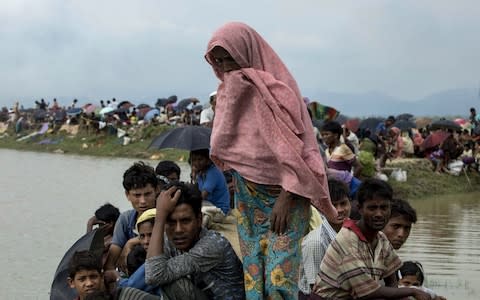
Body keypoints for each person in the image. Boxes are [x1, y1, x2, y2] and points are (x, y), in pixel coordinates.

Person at [205, 22, 335, 300]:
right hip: (247, 194)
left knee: (280, 274)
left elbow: (295, 150)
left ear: (248, 54)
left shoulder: (273, 92)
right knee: (254, 273)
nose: (228, 67)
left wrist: (287, 195)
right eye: (220, 60)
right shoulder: (228, 93)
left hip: (286, 194)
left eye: (232, 58)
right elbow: (226, 145)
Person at [312, 179, 432, 300]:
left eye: (384, 208)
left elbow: (392, 282)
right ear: (360, 209)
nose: (379, 214)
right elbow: (369, 293)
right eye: (372, 208)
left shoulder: (381, 239)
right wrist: (412, 291)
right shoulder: (347, 240)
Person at [145, 182, 245, 300]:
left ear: (199, 220)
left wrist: (159, 218)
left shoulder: (212, 245)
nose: (178, 230)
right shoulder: (169, 239)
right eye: (171, 222)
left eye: (185, 221)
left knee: (175, 284)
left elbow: (154, 275)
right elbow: (150, 272)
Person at [298, 178, 352, 298]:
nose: (339, 210)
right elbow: (317, 289)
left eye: (343, 203)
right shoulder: (316, 242)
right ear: (322, 207)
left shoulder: (353, 233)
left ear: (350, 203)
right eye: (333, 205)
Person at [104, 162, 158, 272]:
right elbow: (111, 263)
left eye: (147, 194)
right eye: (137, 195)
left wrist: (131, 242)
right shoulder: (126, 219)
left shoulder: (166, 216)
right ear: (127, 195)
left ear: (156, 190)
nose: (142, 201)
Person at [190, 148, 230, 215]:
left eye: (200, 159)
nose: (197, 163)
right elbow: (196, 190)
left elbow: (203, 196)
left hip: (220, 209)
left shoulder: (213, 172)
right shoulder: (201, 172)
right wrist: (194, 176)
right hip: (209, 205)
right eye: (194, 160)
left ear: (207, 160)